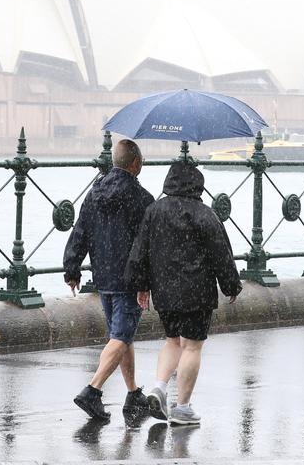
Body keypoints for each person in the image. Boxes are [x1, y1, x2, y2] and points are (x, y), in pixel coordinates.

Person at [125, 159, 242, 426]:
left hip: (164, 291)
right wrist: (231, 285)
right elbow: (220, 254)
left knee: (171, 341)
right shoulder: (205, 214)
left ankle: (159, 387)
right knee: (191, 346)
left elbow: (139, 251)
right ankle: (182, 408)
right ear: (198, 185)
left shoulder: (154, 210)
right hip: (196, 291)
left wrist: (141, 285)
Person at [64, 138, 156, 420]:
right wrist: (145, 283)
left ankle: (132, 394)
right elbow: (144, 247)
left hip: (102, 276)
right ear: (136, 164)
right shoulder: (142, 199)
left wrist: (72, 268)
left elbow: (80, 231)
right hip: (128, 280)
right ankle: (92, 391)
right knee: (121, 336)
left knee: (122, 336)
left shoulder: (95, 193)